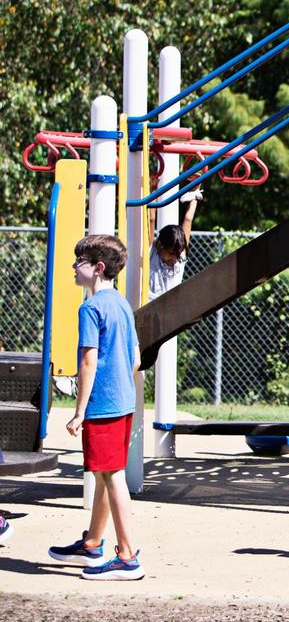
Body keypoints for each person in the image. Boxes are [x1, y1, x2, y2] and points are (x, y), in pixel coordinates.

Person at [48, 234, 144, 580]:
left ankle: (128, 556)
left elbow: (87, 363)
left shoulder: (89, 308)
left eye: (80, 262)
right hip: (123, 401)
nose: (75, 267)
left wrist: (79, 411)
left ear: (98, 268)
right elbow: (135, 357)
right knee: (106, 474)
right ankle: (92, 543)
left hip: (103, 406)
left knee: (112, 476)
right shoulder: (120, 303)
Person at [149, 190, 200, 299]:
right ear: (160, 246)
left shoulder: (180, 255)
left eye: (178, 254)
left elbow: (188, 218)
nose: (175, 258)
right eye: (171, 253)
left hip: (171, 308)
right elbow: (151, 218)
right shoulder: (152, 253)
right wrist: (154, 189)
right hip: (149, 308)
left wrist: (195, 191)